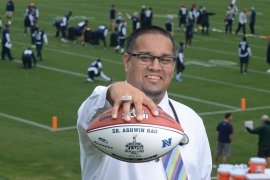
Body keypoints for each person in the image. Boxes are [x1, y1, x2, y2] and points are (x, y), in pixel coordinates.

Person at [77, 25, 212, 180]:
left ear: (173, 66)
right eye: (145, 57)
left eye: (165, 59)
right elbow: (91, 111)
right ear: (127, 61)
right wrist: (113, 90)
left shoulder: (192, 119)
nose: (155, 67)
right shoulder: (106, 114)